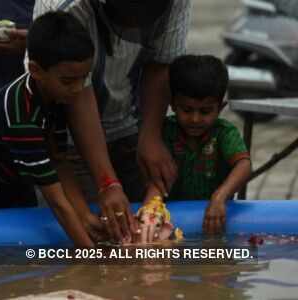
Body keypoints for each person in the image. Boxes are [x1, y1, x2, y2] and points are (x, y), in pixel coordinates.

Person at [0, 11, 133, 246]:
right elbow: (58, 204)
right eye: (68, 81)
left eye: (84, 78)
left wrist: (86, 218)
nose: (77, 89)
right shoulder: (22, 118)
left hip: (17, 178)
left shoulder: (55, 95)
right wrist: (91, 258)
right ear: (36, 70)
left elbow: (58, 161)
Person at [29, 0, 190, 232]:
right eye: (128, 23)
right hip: (69, 139)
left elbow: (162, 60)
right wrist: (107, 182)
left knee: (138, 228)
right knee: (94, 234)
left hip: (128, 122)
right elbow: (77, 88)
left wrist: (151, 136)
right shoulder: (65, 6)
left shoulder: (175, 3)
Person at [139, 55, 252, 241]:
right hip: (173, 219)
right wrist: (152, 209)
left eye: (205, 111)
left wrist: (219, 198)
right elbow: (156, 180)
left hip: (216, 218)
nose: (195, 119)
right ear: (173, 104)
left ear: (220, 108)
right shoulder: (164, 132)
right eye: (187, 110)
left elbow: (244, 165)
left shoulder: (223, 133)